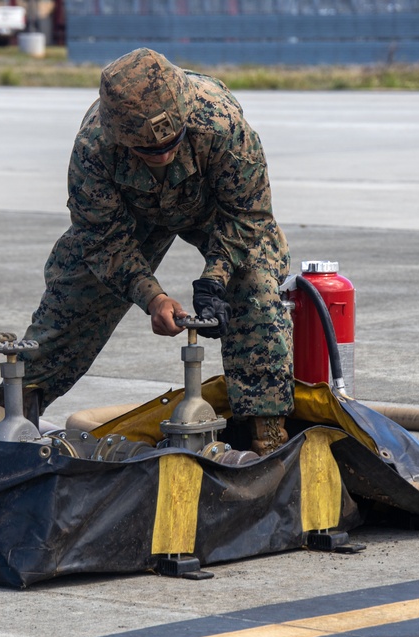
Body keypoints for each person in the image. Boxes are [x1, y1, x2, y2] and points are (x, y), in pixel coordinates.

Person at [20, 48, 293, 455]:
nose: (163, 154)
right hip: (134, 215)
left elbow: (248, 215)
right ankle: (14, 410)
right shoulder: (94, 149)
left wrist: (214, 280)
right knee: (76, 290)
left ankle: (266, 429)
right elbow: (102, 238)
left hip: (214, 209)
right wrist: (153, 297)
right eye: (148, 150)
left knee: (254, 283)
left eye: (172, 143)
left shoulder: (220, 122)